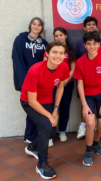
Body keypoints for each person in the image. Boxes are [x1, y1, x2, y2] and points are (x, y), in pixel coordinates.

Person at [22, 41, 70, 179]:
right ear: (47, 54)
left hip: (47, 99)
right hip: (29, 101)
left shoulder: (64, 67)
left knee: (50, 128)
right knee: (45, 126)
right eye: (54, 52)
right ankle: (42, 164)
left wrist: (55, 110)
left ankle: (31, 147)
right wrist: (50, 115)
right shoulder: (35, 70)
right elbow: (32, 101)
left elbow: (60, 87)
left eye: (61, 53)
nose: (58, 56)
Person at [73, 31, 101, 166]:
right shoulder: (80, 62)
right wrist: (84, 105)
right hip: (88, 96)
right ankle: (88, 150)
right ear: (84, 45)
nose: (92, 47)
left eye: (94, 44)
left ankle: (95, 143)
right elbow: (79, 85)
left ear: (98, 44)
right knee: (90, 124)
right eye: (89, 44)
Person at [12, 17, 48, 144]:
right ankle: (30, 137)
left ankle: (37, 136)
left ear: (42, 28)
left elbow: (46, 63)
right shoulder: (20, 40)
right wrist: (23, 82)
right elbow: (17, 60)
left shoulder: (44, 43)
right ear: (30, 25)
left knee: (38, 107)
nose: (36, 27)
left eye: (39, 25)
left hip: (40, 81)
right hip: (27, 81)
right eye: (34, 24)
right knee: (31, 108)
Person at [43, 27, 76, 144]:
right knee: (51, 108)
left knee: (65, 108)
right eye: (56, 36)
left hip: (67, 83)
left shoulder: (71, 50)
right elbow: (45, 65)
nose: (58, 37)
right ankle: (50, 135)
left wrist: (66, 80)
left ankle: (62, 131)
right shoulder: (50, 49)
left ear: (65, 35)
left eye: (61, 35)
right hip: (52, 85)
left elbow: (73, 68)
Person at [75, 16, 101, 140]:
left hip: (99, 81)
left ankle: (96, 136)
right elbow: (77, 58)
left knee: (100, 113)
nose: (91, 26)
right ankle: (84, 126)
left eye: (93, 24)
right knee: (85, 105)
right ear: (84, 27)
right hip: (84, 79)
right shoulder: (79, 43)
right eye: (89, 24)